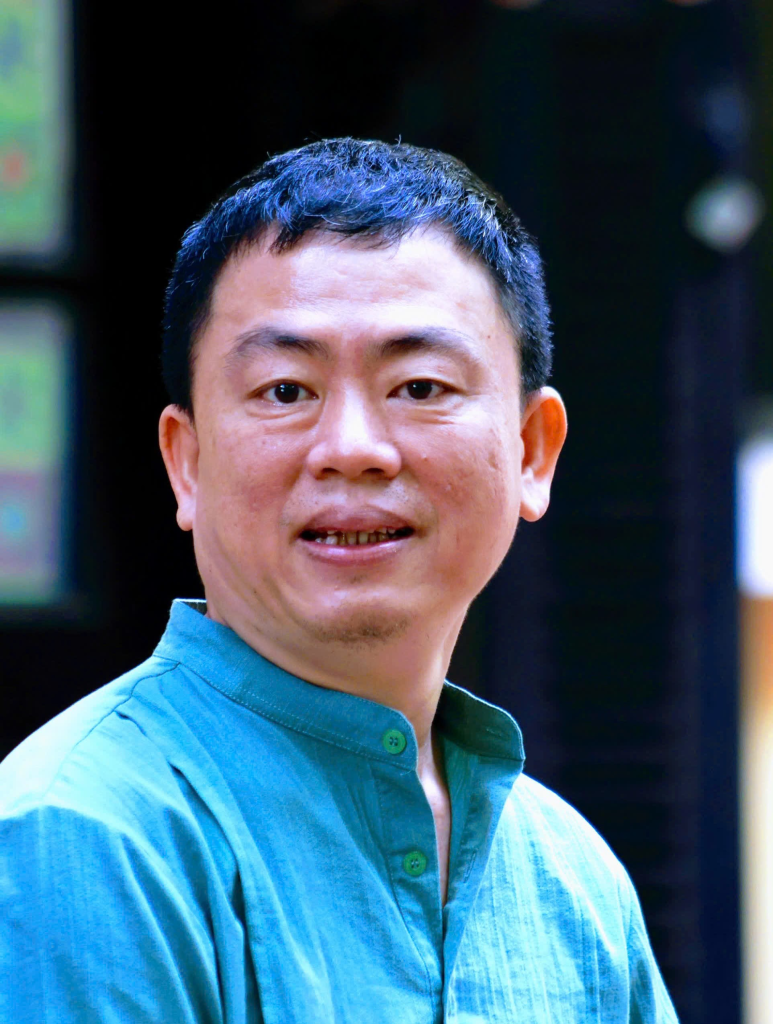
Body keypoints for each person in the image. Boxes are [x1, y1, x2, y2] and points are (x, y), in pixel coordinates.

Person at [0, 138, 678, 1022]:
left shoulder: (571, 882)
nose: (352, 448)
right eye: (286, 390)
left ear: (530, 450)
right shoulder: (85, 834)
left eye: (419, 386)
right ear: (186, 463)